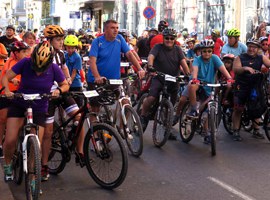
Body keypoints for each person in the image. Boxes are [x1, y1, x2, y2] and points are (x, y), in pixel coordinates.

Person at [2, 41, 69, 181]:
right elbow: (6, 77)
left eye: (42, 68)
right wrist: (7, 90)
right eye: (36, 67)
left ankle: (33, 175)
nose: (38, 70)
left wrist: (59, 90)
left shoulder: (54, 68)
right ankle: (8, 165)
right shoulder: (25, 62)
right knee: (10, 139)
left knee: (36, 144)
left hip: (39, 106)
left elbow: (64, 85)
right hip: (20, 103)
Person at [41, 25, 83, 181]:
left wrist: (68, 80)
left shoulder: (60, 54)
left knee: (79, 117)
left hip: (62, 91)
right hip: (47, 95)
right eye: (58, 39)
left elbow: (65, 69)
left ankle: (80, 152)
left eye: (61, 39)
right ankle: (44, 165)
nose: (61, 42)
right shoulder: (43, 53)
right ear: (49, 40)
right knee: (48, 133)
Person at [87, 19, 145, 117]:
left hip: (114, 81)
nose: (116, 30)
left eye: (117, 28)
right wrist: (97, 77)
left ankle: (123, 130)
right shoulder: (97, 42)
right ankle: (94, 131)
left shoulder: (119, 39)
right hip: (96, 81)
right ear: (105, 30)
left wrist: (140, 69)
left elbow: (129, 55)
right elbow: (92, 61)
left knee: (126, 103)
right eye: (112, 28)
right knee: (95, 109)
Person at [140, 28, 190, 139]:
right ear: (163, 38)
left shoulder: (178, 50)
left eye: (171, 38)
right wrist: (150, 66)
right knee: (151, 98)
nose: (169, 40)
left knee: (170, 107)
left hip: (173, 80)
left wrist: (187, 74)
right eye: (167, 38)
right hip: (159, 77)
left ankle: (167, 129)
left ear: (174, 39)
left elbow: (183, 62)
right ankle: (143, 116)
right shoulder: (158, 47)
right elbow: (151, 57)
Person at [186, 39, 233, 142]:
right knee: (191, 85)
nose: (207, 53)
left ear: (212, 51)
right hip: (198, 83)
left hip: (210, 85)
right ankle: (193, 109)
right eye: (204, 51)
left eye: (209, 51)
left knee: (209, 110)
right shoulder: (197, 59)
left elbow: (223, 70)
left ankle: (207, 132)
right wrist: (194, 79)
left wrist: (229, 79)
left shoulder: (215, 58)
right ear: (201, 52)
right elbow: (195, 70)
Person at [231, 38, 270, 141]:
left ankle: (256, 130)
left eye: (254, 47)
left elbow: (269, 64)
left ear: (258, 49)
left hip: (255, 86)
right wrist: (245, 68)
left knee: (257, 107)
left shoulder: (261, 57)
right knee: (238, 109)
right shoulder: (240, 58)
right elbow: (236, 69)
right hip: (241, 86)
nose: (251, 49)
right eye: (250, 46)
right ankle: (235, 130)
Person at [0, 41, 30, 158]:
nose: (25, 54)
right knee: (2, 118)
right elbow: (7, 74)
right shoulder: (10, 62)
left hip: (21, 93)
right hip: (7, 92)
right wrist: (13, 81)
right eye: (23, 51)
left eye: (26, 51)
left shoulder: (27, 62)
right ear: (16, 53)